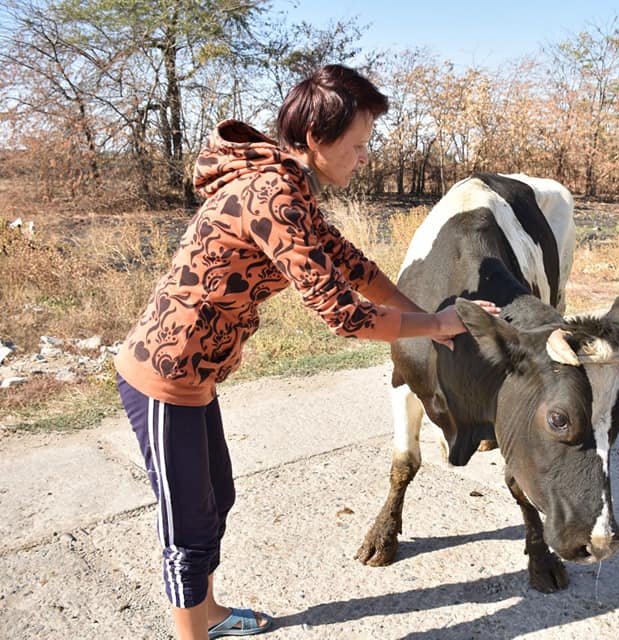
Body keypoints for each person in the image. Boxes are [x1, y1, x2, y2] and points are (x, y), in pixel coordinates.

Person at [115, 64, 498, 640]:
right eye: (358, 144)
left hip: (197, 376)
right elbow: (342, 314)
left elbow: (351, 266)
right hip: (162, 378)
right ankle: (191, 632)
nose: (365, 157)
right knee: (188, 527)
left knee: (218, 498)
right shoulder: (272, 194)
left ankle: (210, 613)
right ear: (317, 140)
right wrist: (430, 322)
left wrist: (431, 323)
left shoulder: (291, 186)